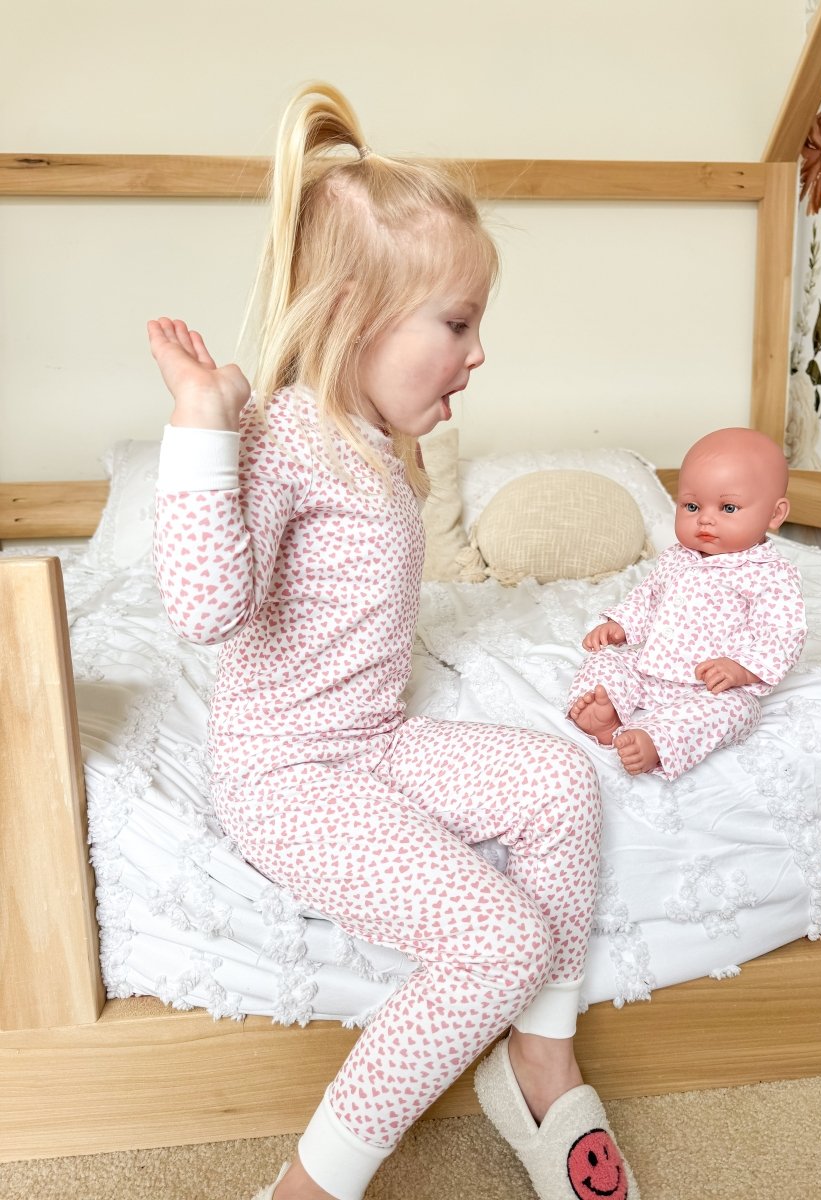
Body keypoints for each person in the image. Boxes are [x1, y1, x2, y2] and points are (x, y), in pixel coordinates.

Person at [148, 84, 639, 1200]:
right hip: (288, 775)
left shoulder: (373, 441)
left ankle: (539, 1065)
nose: (479, 353)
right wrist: (201, 427)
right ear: (355, 314)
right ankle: (313, 1184)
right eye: (457, 324)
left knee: (560, 783)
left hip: (371, 737)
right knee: (495, 941)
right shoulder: (278, 438)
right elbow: (205, 608)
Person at [567, 428, 807, 780]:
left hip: (711, 688)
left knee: (738, 712)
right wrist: (620, 626)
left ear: (774, 514)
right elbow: (648, 596)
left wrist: (741, 669)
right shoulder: (677, 557)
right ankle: (605, 712)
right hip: (651, 668)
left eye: (728, 507)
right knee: (607, 662)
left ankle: (655, 741)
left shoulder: (771, 574)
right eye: (692, 506)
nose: (705, 519)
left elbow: (783, 633)